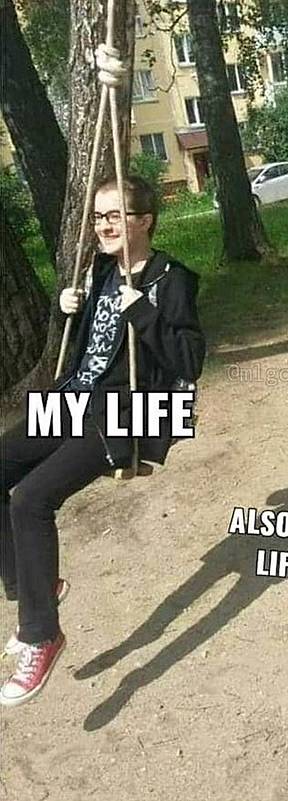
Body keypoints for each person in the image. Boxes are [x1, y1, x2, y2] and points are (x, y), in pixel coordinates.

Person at [0, 175, 205, 707]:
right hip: (74, 400)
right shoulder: (98, 271)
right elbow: (87, 348)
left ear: (145, 221)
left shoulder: (171, 280)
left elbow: (189, 361)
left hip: (121, 417)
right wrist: (67, 307)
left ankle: (41, 636)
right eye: (98, 216)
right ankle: (33, 589)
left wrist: (143, 312)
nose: (103, 226)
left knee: (30, 500)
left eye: (115, 216)